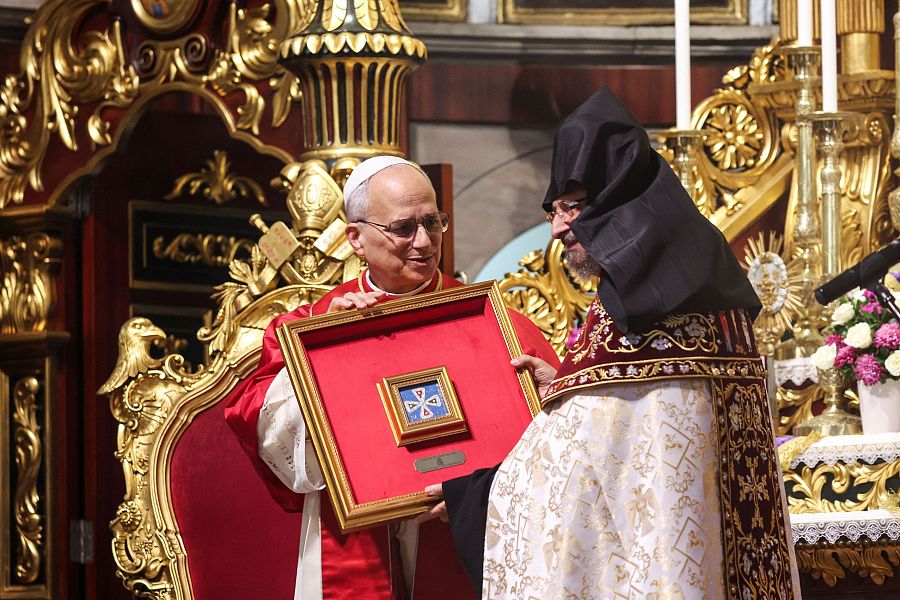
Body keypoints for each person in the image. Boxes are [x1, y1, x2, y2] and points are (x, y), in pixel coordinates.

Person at [423, 87, 801, 599]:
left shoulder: (634, 313)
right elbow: (631, 428)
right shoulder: (708, 294)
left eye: (572, 207)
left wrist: (474, 492)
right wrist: (571, 383)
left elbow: (572, 479)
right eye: (551, 209)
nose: (556, 228)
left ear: (619, 203)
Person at [223, 156, 559, 600]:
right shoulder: (309, 327)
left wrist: (555, 393)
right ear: (356, 238)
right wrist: (324, 357)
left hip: (461, 535)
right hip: (356, 546)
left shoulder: (494, 324)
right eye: (403, 228)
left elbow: (557, 450)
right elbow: (259, 428)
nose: (424, 242)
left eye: (433, 223)